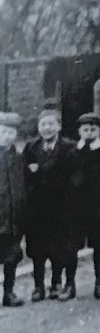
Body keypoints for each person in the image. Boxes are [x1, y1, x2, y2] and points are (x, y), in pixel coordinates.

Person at [23, 108, 78, 303]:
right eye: (43, 124)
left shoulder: (69, 148)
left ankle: (57, 283)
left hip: (62, 207)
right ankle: (39, 286)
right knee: (38, 249)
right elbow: (25, 177)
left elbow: (74, 176)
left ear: (59, 126)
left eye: (50, 124)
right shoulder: (31, 148)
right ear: (38, 127)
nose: (47, 128)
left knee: (60, 247)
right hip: (38, 209)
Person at [73, 113, 100, 301]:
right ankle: (69, 284)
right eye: (85, 129)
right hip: (76, 207)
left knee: (99, 245)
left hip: (98, 207)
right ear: (79, 131)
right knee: (71, 246)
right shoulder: (72, 152)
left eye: (93, 129)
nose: (89, 133)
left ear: (99, 131)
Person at [0, 112, 26, 308]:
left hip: (14, 217)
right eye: (3, 131)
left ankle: (8, 293)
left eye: (11, 132)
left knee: (12, 257)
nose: (7, 136)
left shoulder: (17, 157)